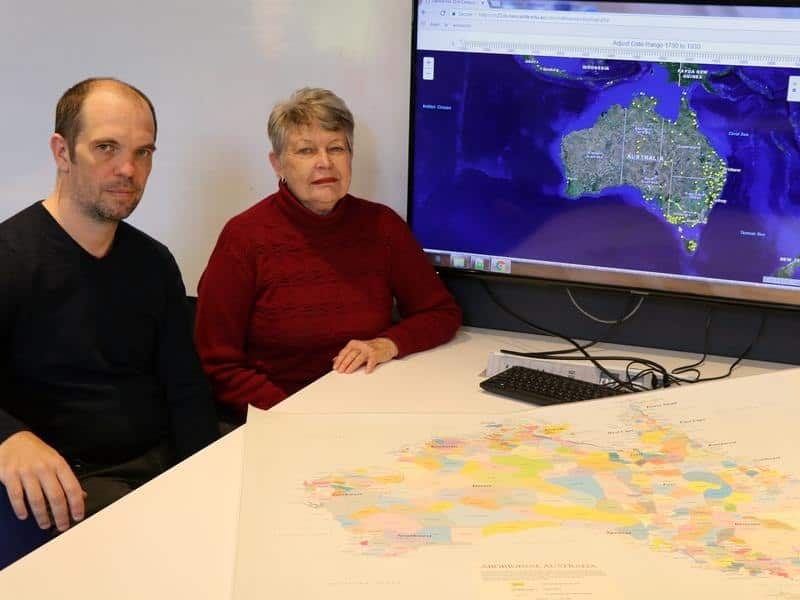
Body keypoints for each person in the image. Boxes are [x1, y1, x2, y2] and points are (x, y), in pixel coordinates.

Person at [0, 78, 219, 534]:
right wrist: (9, 438)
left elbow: (186, 390)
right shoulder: (10, 258)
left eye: (144, 152)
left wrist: (207, 480)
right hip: (62, 489)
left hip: (155, 471)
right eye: (106, 148)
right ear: (62, 152)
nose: (129, 169)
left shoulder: (154, 262)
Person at [195, 88, 461, 419]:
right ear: (277, 163)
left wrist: (387, 344)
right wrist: (296, 416)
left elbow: (440, 312)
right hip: (278, 420)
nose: (325, 162)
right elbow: (218, 364)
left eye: (336, 148)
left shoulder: (382, 227)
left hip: (366, 409)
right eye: (306, 151)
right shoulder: (244, 238)